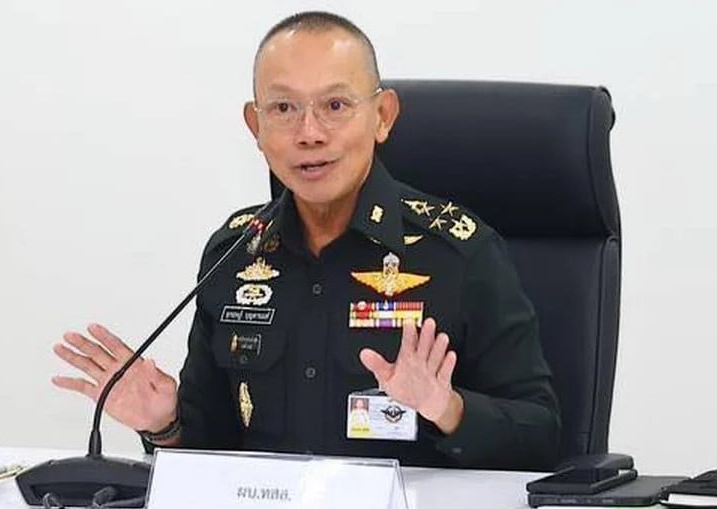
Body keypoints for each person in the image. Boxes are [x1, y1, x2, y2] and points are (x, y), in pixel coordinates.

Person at [52, 11, 560, 470]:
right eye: (283, 108)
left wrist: (444, 408)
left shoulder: (458, 253)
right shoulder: (234, 254)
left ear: (383, 116)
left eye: (335, 105)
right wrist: (164, 424)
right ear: (256, 126)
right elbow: (213, 450)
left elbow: (541, 437)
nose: (309, 133)